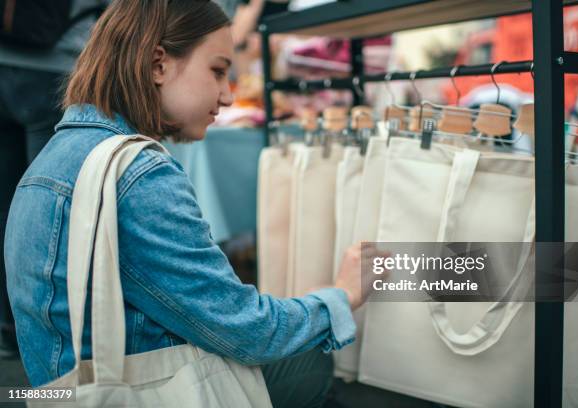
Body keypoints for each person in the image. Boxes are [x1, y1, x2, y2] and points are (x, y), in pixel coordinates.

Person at [3, 1, 382, 406]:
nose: (228, 95)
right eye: (218, 71)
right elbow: (249, 331)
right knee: (308, 363)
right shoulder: (138, 175)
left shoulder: (47, 162)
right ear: (157, 65)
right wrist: (343, 296)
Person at [0, 0, 108, 358]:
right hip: (55, 71)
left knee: (6, 206)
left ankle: (9, 325)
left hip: (4, 64)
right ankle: (49, 329)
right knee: (51, 211)